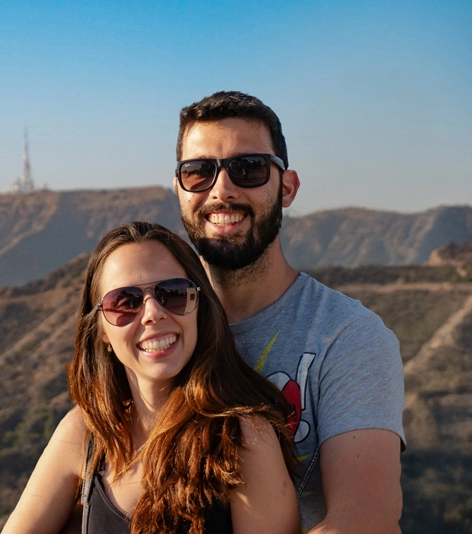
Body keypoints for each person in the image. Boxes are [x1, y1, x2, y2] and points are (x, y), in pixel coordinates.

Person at [173, 90, 406, 532]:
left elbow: (365, 518)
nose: (222, 190)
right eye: (199, 171)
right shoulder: (155, 329)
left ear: (288, 187)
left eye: (248, 169)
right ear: (181, 190)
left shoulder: (348, 337)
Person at [3, 221, 300, 534]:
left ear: (198, 306)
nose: (152, 313)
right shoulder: (86, 433)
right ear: (102, 330)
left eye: (172, 294)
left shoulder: (243, 438)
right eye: (125, 302)